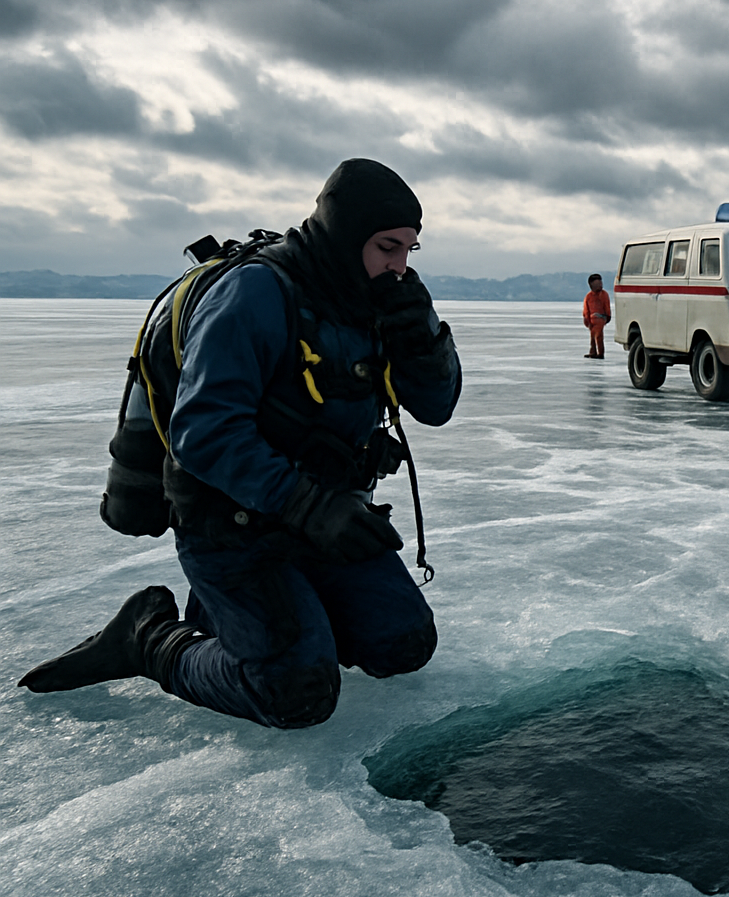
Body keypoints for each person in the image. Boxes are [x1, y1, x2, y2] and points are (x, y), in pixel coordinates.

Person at [19, 159, 463, 729]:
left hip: (325, 518)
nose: (398, 267)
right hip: (231, 527)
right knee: (296, 691)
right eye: (386, 248)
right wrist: (306, 503)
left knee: (403, 646)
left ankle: (259, 618)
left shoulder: (377, 299)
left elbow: (437, 408)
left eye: (409, 251)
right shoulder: (255, 292)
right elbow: (203, 432)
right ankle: (147, 637)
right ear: (347, 236)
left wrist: (422, 337)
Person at [583, 273, 612, 359]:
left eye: (600, 283)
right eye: (597, 283)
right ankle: (593, 352)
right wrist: (586, 319)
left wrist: (608, 316)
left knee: (598, 336)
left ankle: (600, 353)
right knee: (592, 337)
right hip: (592, 319)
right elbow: (586, 309)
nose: (600, 285)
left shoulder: (604, 294)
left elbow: (607, 305)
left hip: (600, 318)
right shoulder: (589, 296)